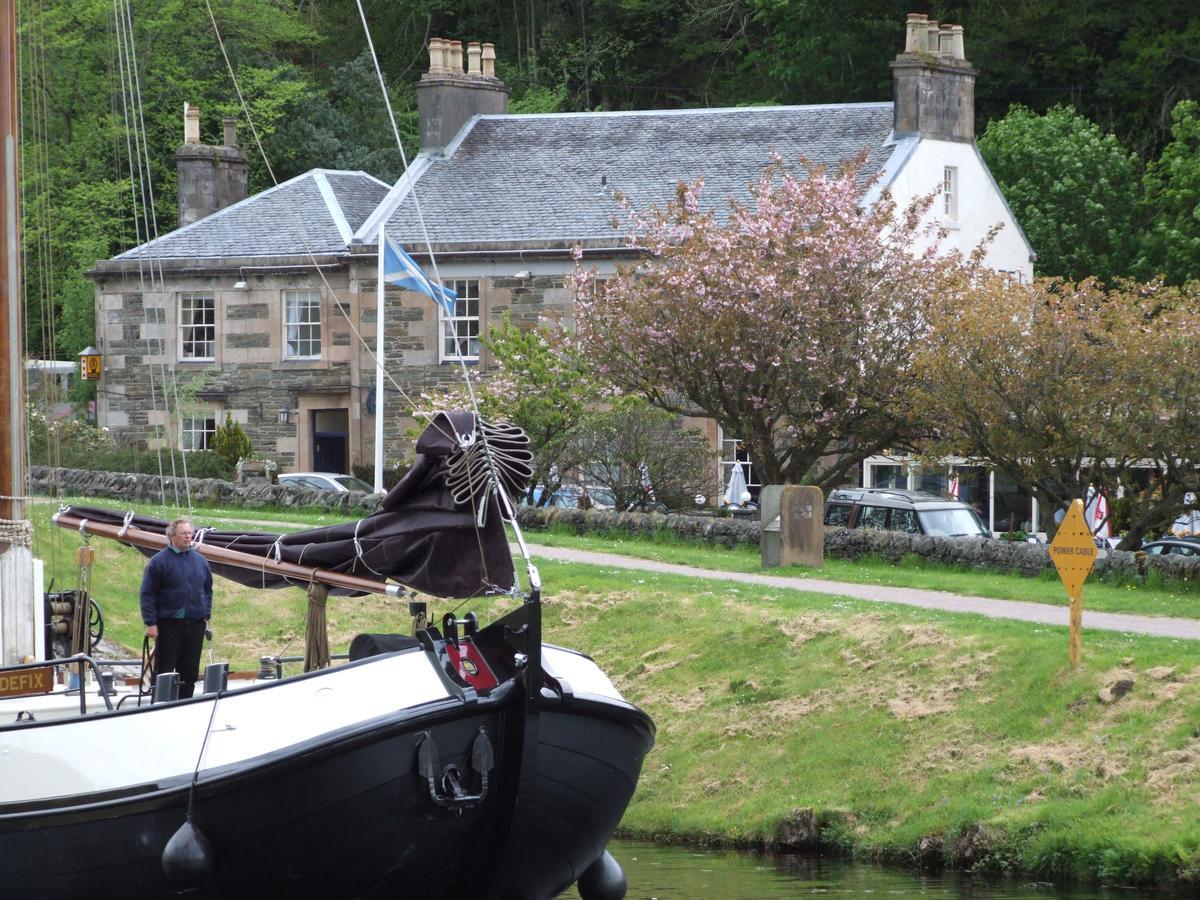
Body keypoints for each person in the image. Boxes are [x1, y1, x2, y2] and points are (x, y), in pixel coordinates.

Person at [140, 518, 212, 699]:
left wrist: (206, 613)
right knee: (164, 669)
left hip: (195, 625)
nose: (188, 537)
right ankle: (160, 704)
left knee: (190, 671)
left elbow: (207, 589)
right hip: (169, 625)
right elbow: (147, 594)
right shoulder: (158, 562)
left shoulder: (201, 561)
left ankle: (185, 703)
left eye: (190, 533)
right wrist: (151, 623)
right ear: (172, 536)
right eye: (183, 533)